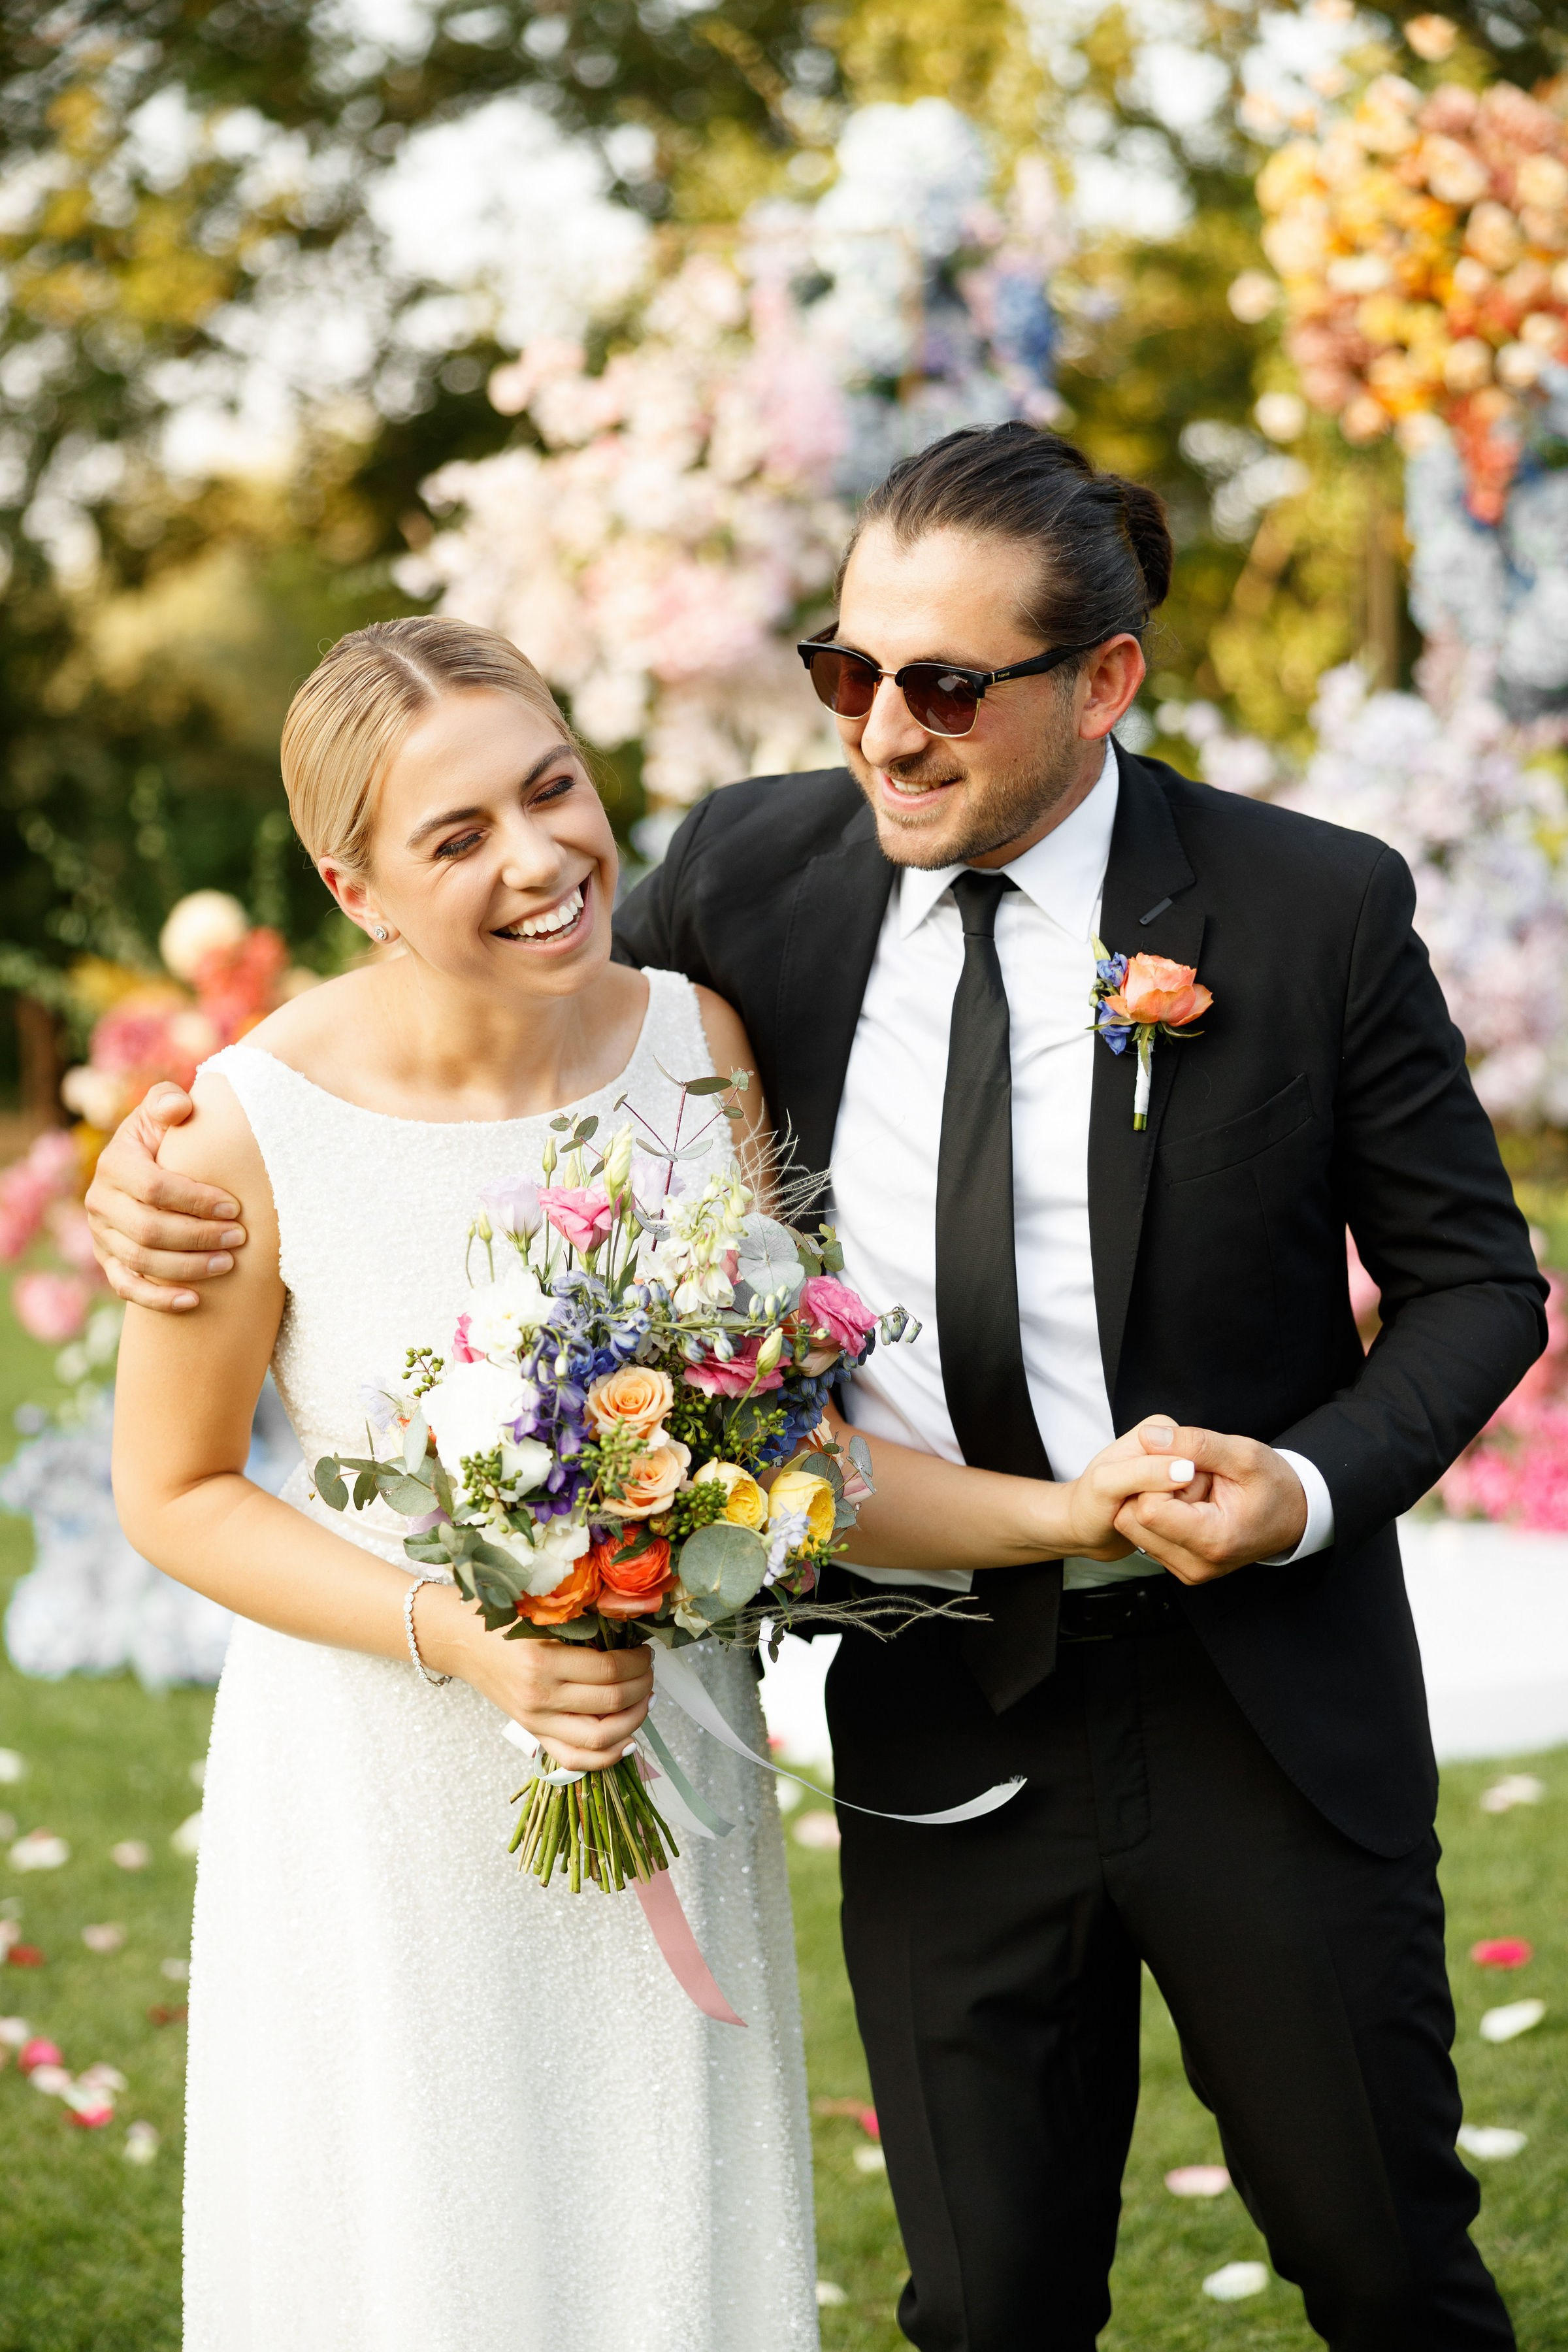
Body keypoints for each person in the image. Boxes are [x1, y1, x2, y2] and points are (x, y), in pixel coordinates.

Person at [90, 429, 1543, 2350]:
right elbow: (488, 1066)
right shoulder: (749, 886)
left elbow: (1473, 1289)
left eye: (944, 688)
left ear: (1102, 679)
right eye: (848, 673)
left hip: (1264, 1707)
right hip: (945, 1707)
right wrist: (146, 1166)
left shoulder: (1311, 909)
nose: (884, 733)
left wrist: (1295, 1484)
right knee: (986, 2304)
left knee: (1384, 2267)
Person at [104, 612, 1200, 2352]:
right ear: (354, 883)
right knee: (422, 2248)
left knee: (656, 2236)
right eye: (455, 837)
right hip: (379, 1793)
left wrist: (1073, 1516)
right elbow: (173, 1491)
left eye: (553, 789)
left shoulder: (695, 1038)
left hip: (666, 1752)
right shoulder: (242, 1128)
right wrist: (460, 1638)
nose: (540, 858)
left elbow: (791, 1450)